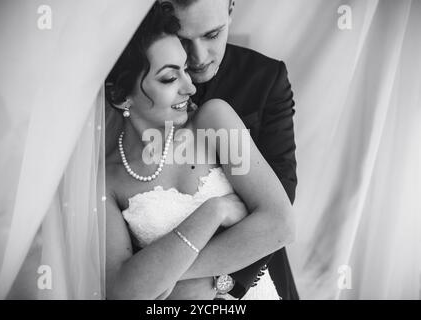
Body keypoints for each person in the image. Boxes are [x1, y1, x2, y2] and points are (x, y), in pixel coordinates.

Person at [104, 2, 295, 300]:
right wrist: (215, 210)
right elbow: (122, 292)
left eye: (212, 34)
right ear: (120, 96)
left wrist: (180, 278)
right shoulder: (108, 179)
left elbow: (279, 219)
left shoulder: (221, 114)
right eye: (169, 77)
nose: (191, 85)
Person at [161, 0, 299, 300]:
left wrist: (219, 280)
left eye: (212, 35)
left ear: (231, 10)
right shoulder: (136, 86)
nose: (197, 57)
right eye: (183, 40)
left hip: (251, 274)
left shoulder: (266, 78)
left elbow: (280, 197)